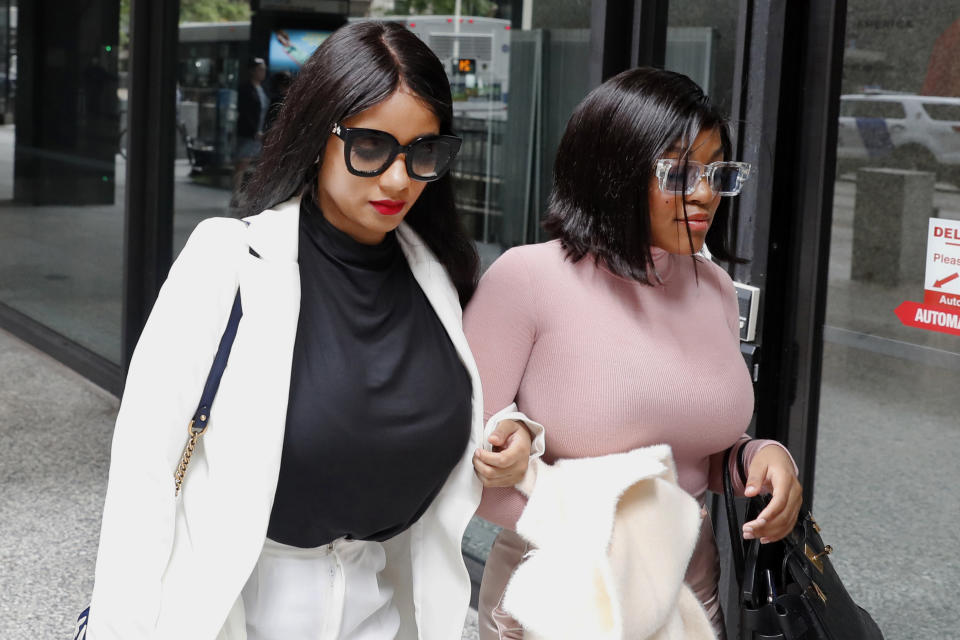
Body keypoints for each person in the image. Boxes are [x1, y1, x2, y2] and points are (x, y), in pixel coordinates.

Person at [87, 21, 540, 639]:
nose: (399, 179)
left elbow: (433, 410)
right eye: (372, 147)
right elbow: (144, 475)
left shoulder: (439, 277)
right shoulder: (229, 262)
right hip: (237, 613)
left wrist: (503, 431)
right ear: (317, 135)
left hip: (383, 616)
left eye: (423, 152)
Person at [463, 67, 803, 640]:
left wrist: (758, 457)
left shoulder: (713, 287)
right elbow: (464, 462)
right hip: (559, 605)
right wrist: (617, 531)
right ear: (612, 173)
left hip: (688, 604)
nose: (704, 194)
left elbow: (694, 449)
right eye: (678, 172)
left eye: (717, 171)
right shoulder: (527, 278)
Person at [232, 57, 269, 204]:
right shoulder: (245, 89)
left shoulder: (263, 89)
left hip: (261, 132)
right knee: (242, 163)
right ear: (253, 71)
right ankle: (236, 194)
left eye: (264, 69)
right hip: (249, 132)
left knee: (256, 164)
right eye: (260, 69)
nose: (263, 72)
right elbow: (245, 111)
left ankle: (251, 195)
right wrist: (254, 130)